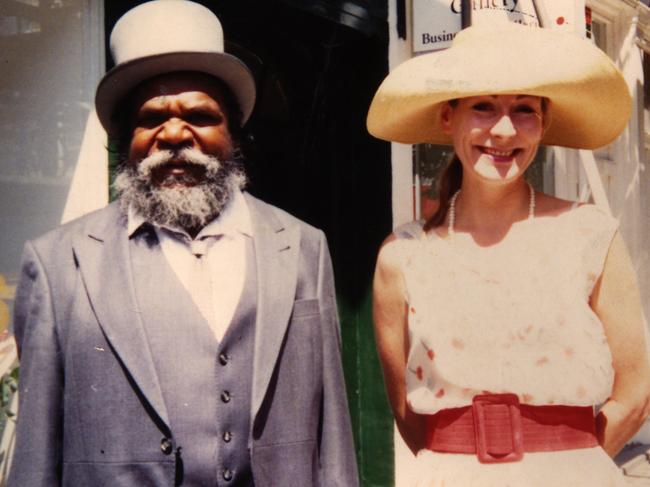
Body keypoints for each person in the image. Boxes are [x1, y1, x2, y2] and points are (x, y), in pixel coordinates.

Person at [8, 1, 358, 486]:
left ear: (234, 133)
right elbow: (34, 457)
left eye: (199, 115)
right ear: (125, 137)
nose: (174, 134)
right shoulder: (57, 263)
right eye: (151, 118)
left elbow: (332, 440)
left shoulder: (301, 246)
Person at [368, 22, 650, 486]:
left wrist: (570, 465)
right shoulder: (403, 256)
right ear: (447, 117)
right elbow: (407, 412)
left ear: (543, 122)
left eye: (523, 110)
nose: (503, 130)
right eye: (483, 106)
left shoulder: (589, 235)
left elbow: (634, 394)